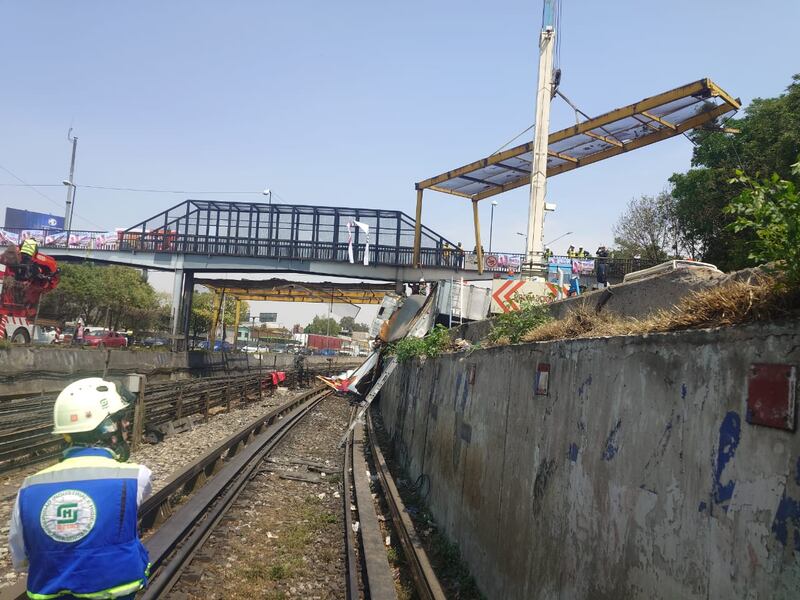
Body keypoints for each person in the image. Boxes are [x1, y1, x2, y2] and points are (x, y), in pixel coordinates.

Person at [9, 378, 152, 600]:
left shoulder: (29, 487)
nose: (125, 425)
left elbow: (20, 558)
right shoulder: (135, 476)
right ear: (105, 426)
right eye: (119, 419)